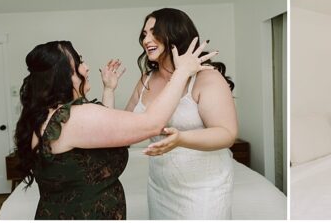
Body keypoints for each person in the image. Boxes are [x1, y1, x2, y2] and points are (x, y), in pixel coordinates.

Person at [14, 40, 212, 219]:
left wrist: (108, 90)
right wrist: (182, 73)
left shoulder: (46, 115)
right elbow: (153, 124)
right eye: (80, 61)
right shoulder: (73, 118)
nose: (87, 67)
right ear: (64, 74)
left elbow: (103, 138)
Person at [112, 8, 238, 219]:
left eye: (154, 32)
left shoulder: (207, 79)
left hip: (204, 189)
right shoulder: (146, 80)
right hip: (160, 187)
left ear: (175, 34)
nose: (146, 39)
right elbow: (126, 128)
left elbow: (227, 133)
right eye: (144, 34)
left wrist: (181, 139)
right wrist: (109, 90)